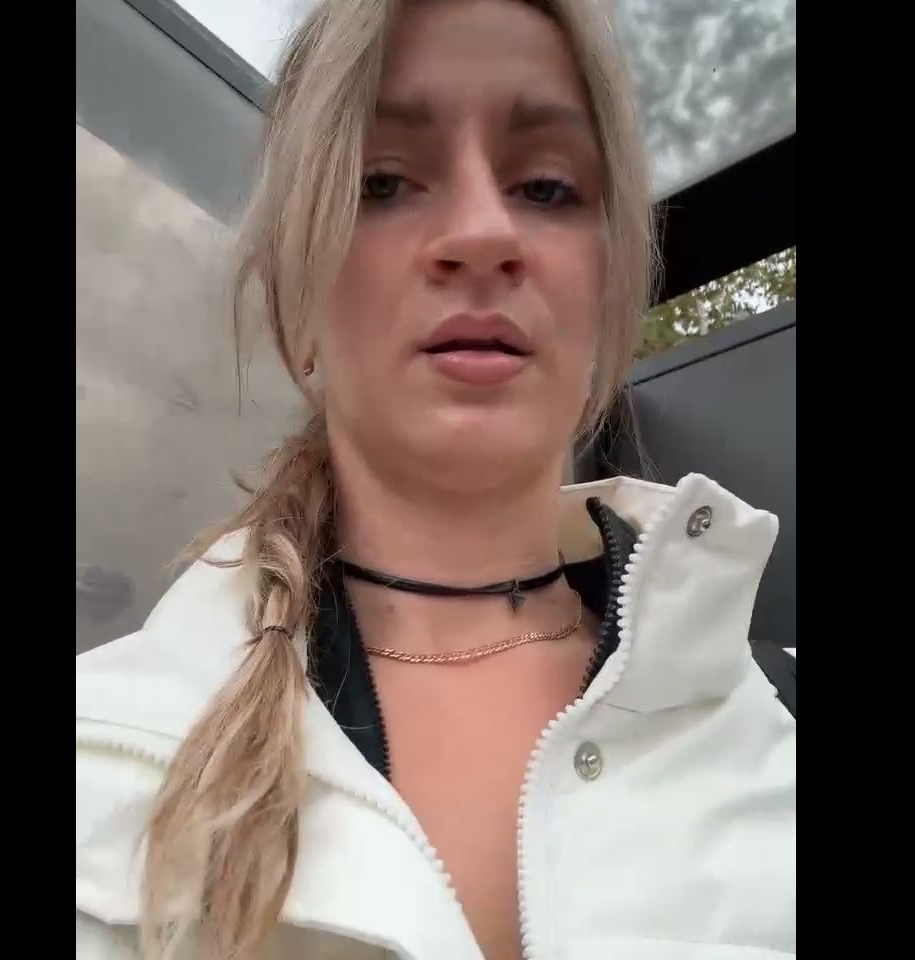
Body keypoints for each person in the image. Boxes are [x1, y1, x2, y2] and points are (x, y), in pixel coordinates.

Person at [75, 0, 796, 957]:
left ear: (606, 284)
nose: (483, 231)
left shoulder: (775, 721)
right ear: (299, 300)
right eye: (382, 181)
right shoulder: (100, 749)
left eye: (546, 186)